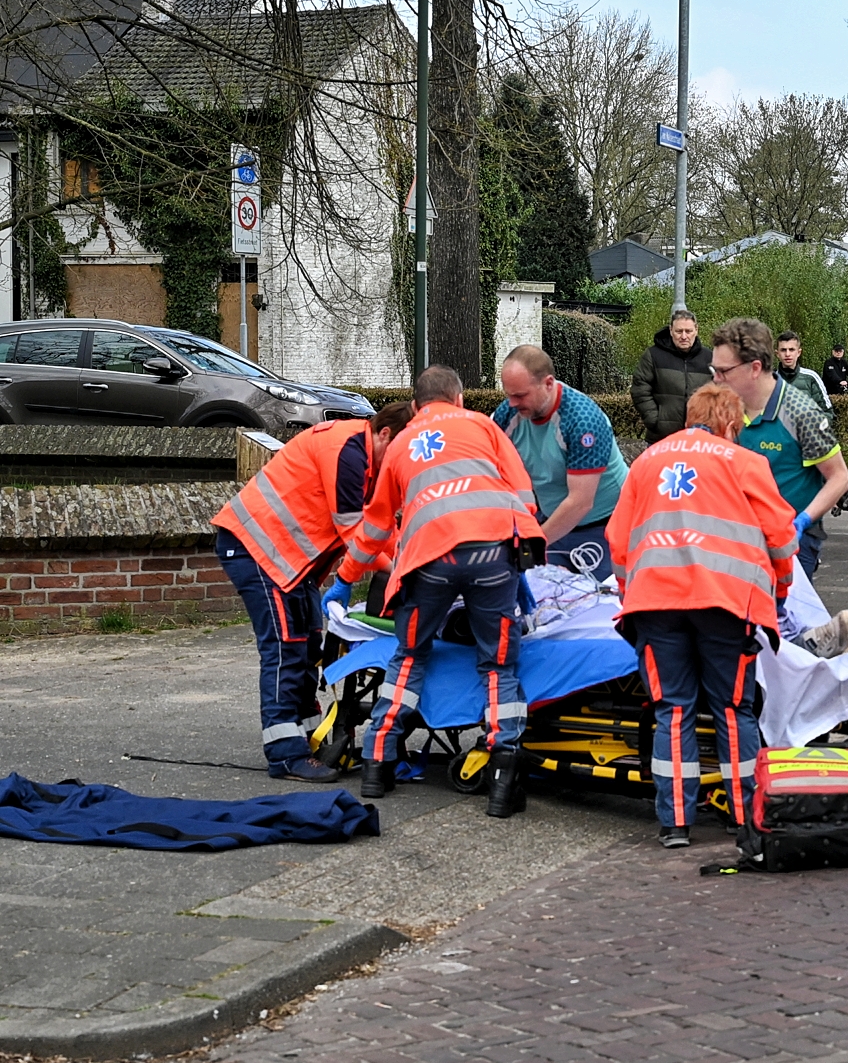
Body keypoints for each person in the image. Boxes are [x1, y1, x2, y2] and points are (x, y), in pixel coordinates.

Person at [327, 365, 543, 816]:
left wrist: (345, 580)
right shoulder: (484, 426)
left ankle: (377, 762)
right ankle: (503, 777)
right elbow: (523, 498)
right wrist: (519, 567)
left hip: (428, 562)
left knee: (409, 656)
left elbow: (375, 527)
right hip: (493, 556)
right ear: (459, 398)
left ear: (415, 407)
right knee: (498, 665)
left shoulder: (401, 444)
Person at [608, 384, 798, 848]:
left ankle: (674, 823)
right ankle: (743, 816)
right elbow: (780, 538)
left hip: (654, 604)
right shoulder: (744, 462)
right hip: (724, 605)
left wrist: (630, 594)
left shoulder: (647, 462)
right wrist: (778, 593)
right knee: (732, 710)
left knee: (673, 710)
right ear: (730, 424)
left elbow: (618, 541)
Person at [212, 402, 416, 781]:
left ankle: (305, 738)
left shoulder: (368, 458)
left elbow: (383, 529)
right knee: (285, 649)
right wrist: (402, 569)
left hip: (283, 560)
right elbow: (356, 533)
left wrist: (407, 555)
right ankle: (285, 755)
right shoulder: (348, 450)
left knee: (307, 649)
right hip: (258, 550)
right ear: (385, 434)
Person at [711, 317, 848, 581]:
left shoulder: (801, 412)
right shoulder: (725, 408)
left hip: (792, 541)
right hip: (741, 537)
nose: (716, 379)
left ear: (754, 368)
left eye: (723, 371)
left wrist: (804, 520)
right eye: (714, 370)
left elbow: (840, 477)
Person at [492, 345, 629, 579]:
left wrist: (531, 545)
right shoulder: (508, 415)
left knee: (597, 598)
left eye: (520, 395)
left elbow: (580, 502)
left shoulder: (583, 420)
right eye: (509, 395)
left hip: (606, 524)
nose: (512, 403)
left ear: (548, 383)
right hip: (552, 519)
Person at [632, 308, 712, 441]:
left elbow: (720, 392)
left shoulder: (710, 358)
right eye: (679, 331)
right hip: (661, 438)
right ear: (670, 330)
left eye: (688, 331)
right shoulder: (653, 355)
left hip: (700, 437)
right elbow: (640, 389)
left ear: (696, 330)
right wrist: (655, 420)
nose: (684, 336)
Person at [775, 330, 831, 410]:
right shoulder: (768, 381)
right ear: (777, 354)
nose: (787, 354)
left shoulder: (811, 377)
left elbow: (827, 411)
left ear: (799, 352)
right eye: (783, 350)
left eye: (791, 349)